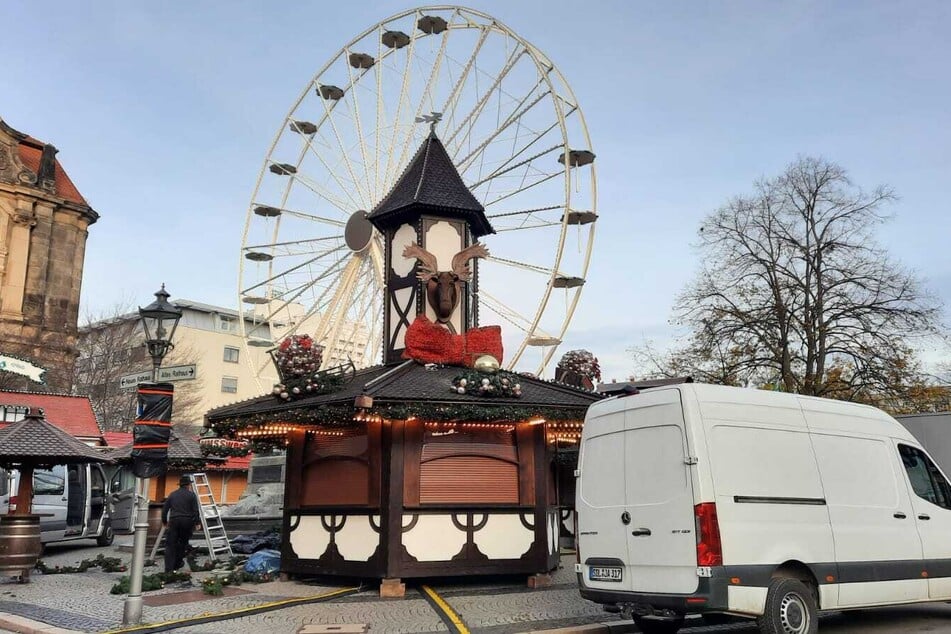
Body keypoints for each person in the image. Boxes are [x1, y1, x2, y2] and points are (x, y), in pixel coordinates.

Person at [161, 475, 200, 573]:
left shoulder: (172, 494)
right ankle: (177, 563)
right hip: (187, 521)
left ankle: (168, 569)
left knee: (170, 545)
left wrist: (164, 522)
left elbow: (165, 510)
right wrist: (197, 522)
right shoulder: (192, 495)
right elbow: (195, 511)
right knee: (183, 543)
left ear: (180, 485)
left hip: (174, 520)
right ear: (188, 485)